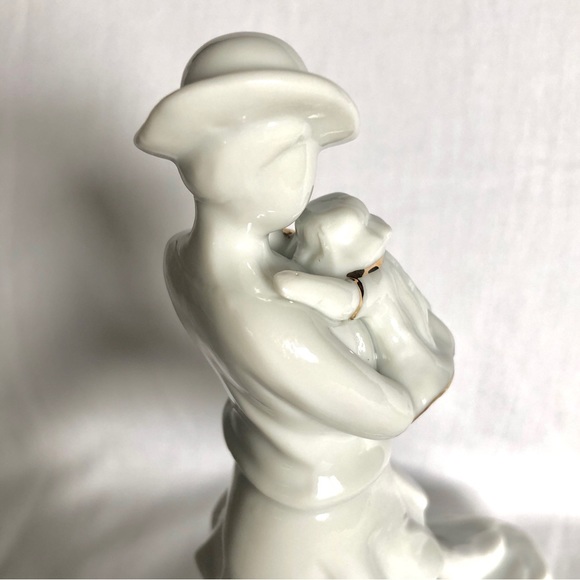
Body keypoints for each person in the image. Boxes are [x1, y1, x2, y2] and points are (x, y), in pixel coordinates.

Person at [136, 32, 548, 580]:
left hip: (312, 484)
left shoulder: (181, 257)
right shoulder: (262, 312)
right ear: (234, 165)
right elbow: (390, 411)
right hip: (310, 511)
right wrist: (377, 307)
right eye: (295, 154)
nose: (308, 175)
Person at [273, 192, 455, 416]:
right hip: (433, 338)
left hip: (412, 371)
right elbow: (287, 241)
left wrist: (295, 284)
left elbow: (346, 301)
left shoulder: (374, 281)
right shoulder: (379, 261)